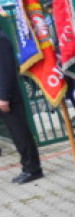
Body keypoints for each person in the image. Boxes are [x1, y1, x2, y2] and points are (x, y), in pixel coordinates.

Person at [0, 31, 42, 183]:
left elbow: (6, 71)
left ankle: (33, 169)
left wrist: (3, 97)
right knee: (15, 135)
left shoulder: (1, 39)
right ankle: (26, 167)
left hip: (8, 97)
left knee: (21, 134)